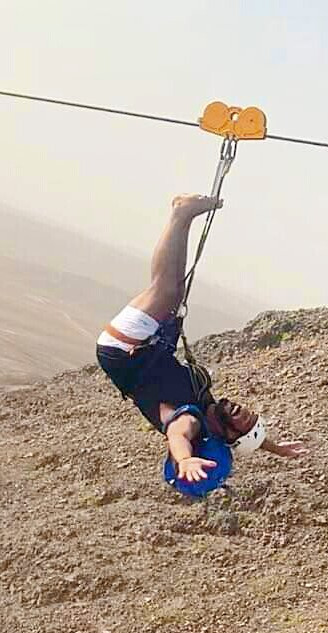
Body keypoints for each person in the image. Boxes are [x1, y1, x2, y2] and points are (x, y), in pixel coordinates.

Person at [96, 194, 306, 483]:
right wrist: (275, 448)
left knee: (166, 290)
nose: (244, 411)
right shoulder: (208, 406)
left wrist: (185, 459)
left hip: (124, 349)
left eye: (243, 421)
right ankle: (183, 216)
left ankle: (181, 214)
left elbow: (177, 436)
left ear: (224, 435)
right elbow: (243, 439)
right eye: (250, 415)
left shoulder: (190, 420)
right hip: (140, 346)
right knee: (171, 290)